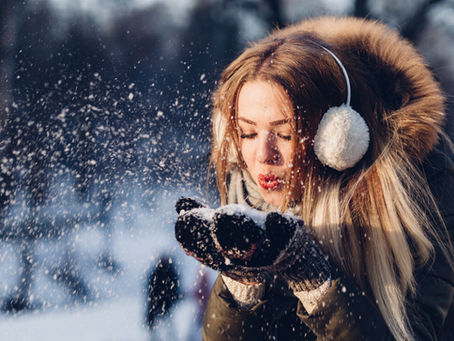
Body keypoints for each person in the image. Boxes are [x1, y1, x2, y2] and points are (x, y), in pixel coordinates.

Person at [174, 16, 454, 340]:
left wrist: (314, 279)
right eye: (247, 133)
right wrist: (243, 285)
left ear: (337, 137)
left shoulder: (425, 192)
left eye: (285, 133)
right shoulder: (249, 195)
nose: (264, 155)